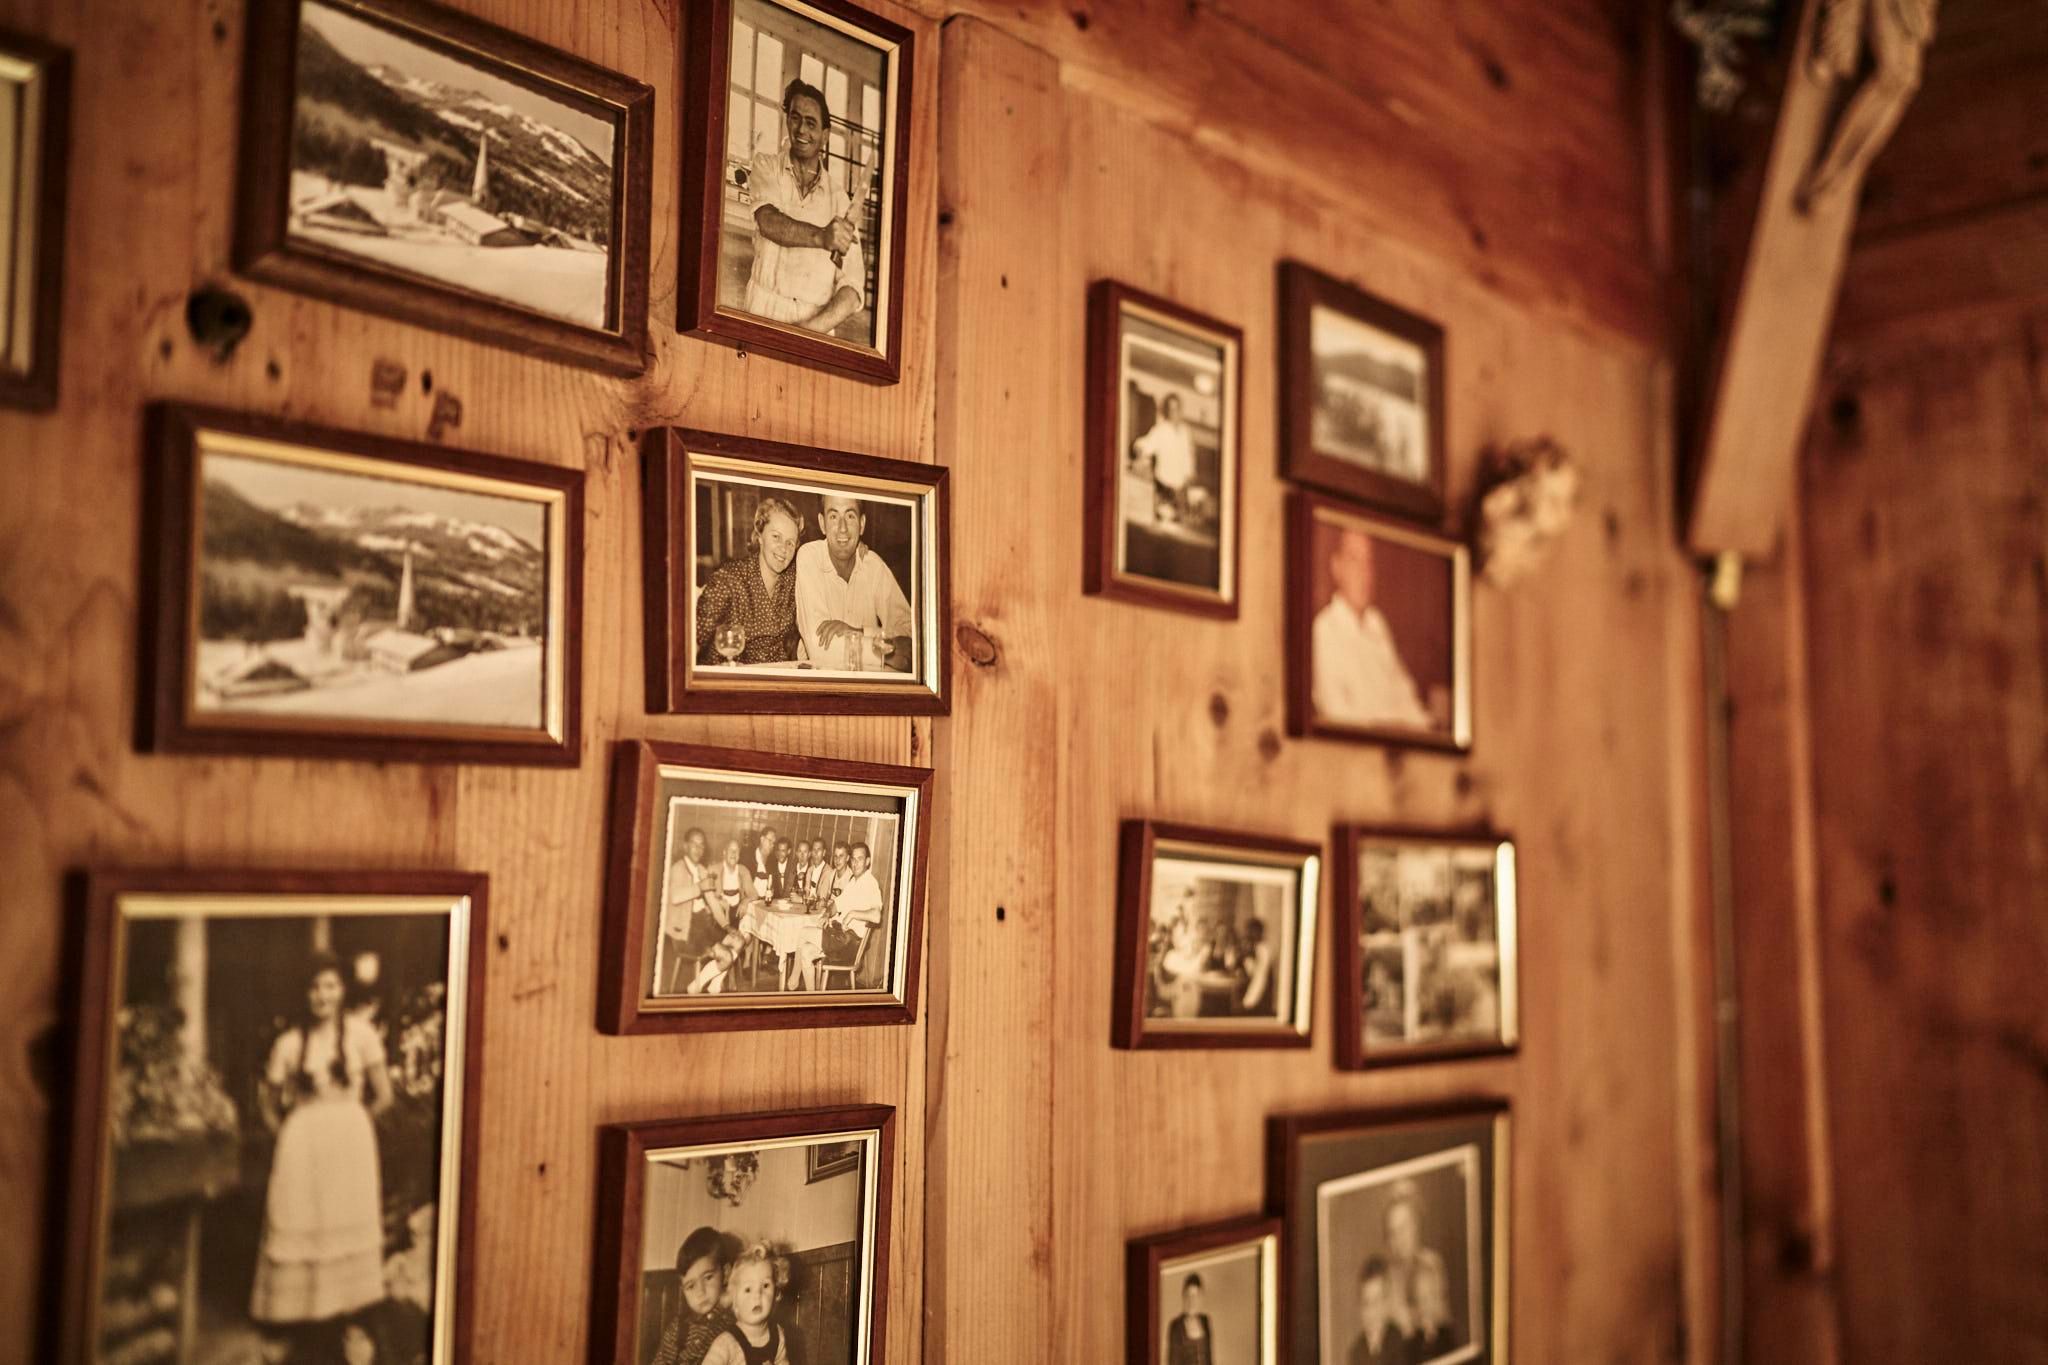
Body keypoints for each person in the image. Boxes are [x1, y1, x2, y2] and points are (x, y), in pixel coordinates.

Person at [251, 954, 392, 1350]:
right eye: (313, 987)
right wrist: (287, 1133)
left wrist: (352, 1123)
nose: (321, 995)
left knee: (343, 1217)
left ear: (343, 989)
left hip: (349, 1145)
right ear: (304, 993)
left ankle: (347, 1316)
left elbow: (384, 1096)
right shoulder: (290, 1042)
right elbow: (266, 1101)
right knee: (301, 1216)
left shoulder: (362, 1035)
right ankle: (302, 1320)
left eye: (330, 985)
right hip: (302, 1145)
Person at [740, 78, 865, 337]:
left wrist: (809, 333)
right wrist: (822, 236)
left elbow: (853, 288)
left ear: (825, 137)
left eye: (811, 123)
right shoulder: (767, 167)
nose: (801, 130)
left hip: (814, 326)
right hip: (762, 310)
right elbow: (769, 223)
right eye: (795, 118)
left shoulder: (840, 200)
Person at [1310, 528, 1432, 731]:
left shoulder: (1377, 625)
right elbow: (1338, 717)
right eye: (1354, 561)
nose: (1364, 574)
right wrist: (1395, 721)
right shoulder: (1324, 630)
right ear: (1337, 567)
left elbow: (1407, 699)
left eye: (1368, 563)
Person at [794, 494, 914, 673]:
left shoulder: (873, 565)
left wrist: (858, 632)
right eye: (834, 516)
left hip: (871, 687)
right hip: (820, 684)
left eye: (850, 516)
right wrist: (885, 653)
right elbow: (819, 649)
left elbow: (910, 637)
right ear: (822, 523)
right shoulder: (809, 557)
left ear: (862, 524)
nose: (842, 528)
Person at [695, 496, 803, 666]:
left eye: (790, 543)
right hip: (728, 679)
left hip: (775, 680)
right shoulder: (729, 579)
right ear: (759, 536)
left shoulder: (793, 579)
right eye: (776, 536)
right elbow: (691, 638)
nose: (784, 548)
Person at [652, 1226, 736, 1365]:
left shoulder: (736, 1321)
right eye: (691, 1286)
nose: (700, 1292)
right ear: (683, 1290)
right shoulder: (677, 1329)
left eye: (708, 1278)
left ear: (726, 1273)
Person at [662, 828, 727, 994]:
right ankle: (695, 989)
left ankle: (713, 985)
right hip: (685, 931)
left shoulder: (702, 870)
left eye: (701, 845)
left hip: (702, 926)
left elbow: (712, 902)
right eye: (694, 844)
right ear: (685, 846)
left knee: (737, 942)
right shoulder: (678, 869)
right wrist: (699, 887)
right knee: (726, 956)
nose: (698, 849)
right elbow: (675, 897)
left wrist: (727, 926)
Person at [701, 1245, 790, 1365]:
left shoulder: (778, 1335)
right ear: (734, 1300)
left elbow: (782, 1362)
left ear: (776, 1293)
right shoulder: (726, 1342)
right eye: (748, 1289)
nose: (757, 1295)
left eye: (765, 1286)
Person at [821, 841, 886, 987]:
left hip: (849, 945)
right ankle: (811, 997)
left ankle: (795, 985)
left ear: (867, 862)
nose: (855, 863)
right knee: (805, 951)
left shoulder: (870, 883)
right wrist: (827, 914)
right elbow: (837, 904)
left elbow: (876, 916)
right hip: (839, 938)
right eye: (853, 859)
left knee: (803, 934)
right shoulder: (854, 882)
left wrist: (852, 914)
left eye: (860, 859)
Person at [1134, 393, 1197, 524]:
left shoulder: (1185, 431)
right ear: (1167, 411)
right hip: (1164, 486)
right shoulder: (1160, 430)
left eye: (1177, 408)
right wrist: (1140, 453)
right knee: (1161, 523)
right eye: (1172, 409)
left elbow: (1188, 457)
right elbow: (1144, 445)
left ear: (1181, 410)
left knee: (1183, 524)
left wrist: (1189, 476)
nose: (1175, 412)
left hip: (1181, 490)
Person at [1350, 1255, 1412, 1365]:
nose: (1372, 1311)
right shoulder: (1356, 1352)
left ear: (1387, 1303)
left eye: (1377, 1302)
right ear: (1359, 1307)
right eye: (1366, 1303)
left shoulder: (1400, 1342)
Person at [1407, 1249, 1460, 1360]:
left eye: (1429, 1296)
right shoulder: (1411, 1345)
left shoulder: (1448, 1339)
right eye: (1420, 1298)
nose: (1425, 1304)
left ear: (1438, 1296)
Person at [1165, 1272, 1214, 1365]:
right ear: (1183, 1296)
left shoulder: (1205, 1321)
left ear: (1200, 1297)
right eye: (1188, 1295)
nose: (1192, 1301)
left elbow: (1210, 1359)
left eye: (1195, 1296)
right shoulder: (1176, 1326)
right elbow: (1173, 1362)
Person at [1239, 917, 1275, 1016]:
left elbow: (1259, 976)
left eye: (1253, 931)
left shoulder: (1263, 949)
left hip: (1261, 994)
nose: (1250, 934)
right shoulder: (1254, 947)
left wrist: (1249, 1001)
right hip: (1253, 990)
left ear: (1260, 932)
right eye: (1248, 931)